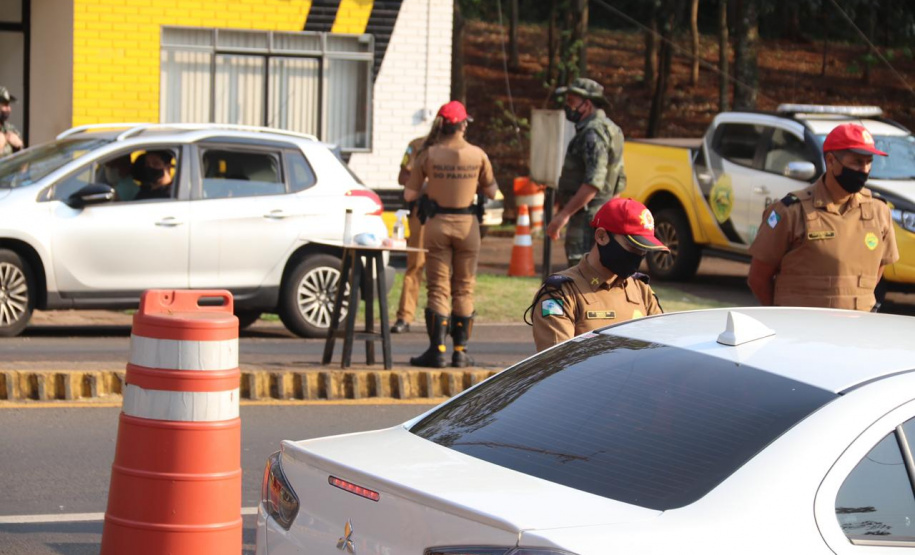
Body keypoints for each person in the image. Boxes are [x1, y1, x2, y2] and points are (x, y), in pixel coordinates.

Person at [747, 123, 898, 311]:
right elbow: (758, 278)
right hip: (801, 334)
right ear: (831, 161)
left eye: (869, 162)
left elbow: (876, 271)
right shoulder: (790, 211)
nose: (864, 170)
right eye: (857, 162)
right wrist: (781, 318)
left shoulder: (879, 211)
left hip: (856, 332)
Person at [404, 100, 498, 368]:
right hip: (468, 226)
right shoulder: (478, 155)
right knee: (464, 287)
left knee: (438, 287)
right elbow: (492, 192)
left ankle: (438, 350)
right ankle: (460, 350)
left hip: (437, 224)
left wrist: (431, 188)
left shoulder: (429, 154)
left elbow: (409, 193)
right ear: (463, 125)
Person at [529, 198, 667, 352]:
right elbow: (559, 365)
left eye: (644, 249)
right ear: (601, 236)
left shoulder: (641, 290)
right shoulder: (561, 294)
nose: (639, 255)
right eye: (633, 247)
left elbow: (661, 351)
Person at [546, 77, 627, 267]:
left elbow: (593, 182)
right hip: (599, 218)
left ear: (587, 105)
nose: (568, 107)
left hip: (586, 220)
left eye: (571, 102)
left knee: (581, 274)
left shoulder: (593, 133)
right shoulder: (612, 130)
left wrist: (563, 215)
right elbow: (619, 181)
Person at [391, 119, 443, 334]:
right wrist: (425, 185)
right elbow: (402, 176)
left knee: (443, 269)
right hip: (422, 212)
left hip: (448, 215)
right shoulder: (417, 145)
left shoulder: (458, 151)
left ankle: (442, 317)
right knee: (415, 264)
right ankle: (405, 316)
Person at [0, 86, 23, 157]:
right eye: (5, 105)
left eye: (9, 105)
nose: (9, 109)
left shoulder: (9, 128)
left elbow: (22, 157)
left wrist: (19, 146)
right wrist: (4, 139)